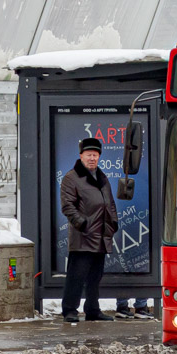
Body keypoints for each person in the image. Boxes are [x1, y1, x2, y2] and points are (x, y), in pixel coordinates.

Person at [59, 137, 118, 323]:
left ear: (99, 157)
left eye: (95, 155)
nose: (92, 158)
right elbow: (68, 206)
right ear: (81, 156)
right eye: (88, 155)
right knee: (76, 276)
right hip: (83, 236)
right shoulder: (71, 178)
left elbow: (110, 204)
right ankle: (70, 310)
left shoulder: (102, 177)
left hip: (101, 235)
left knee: (95, 277)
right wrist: (82, 224)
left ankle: (93, 309)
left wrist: (113, 223)